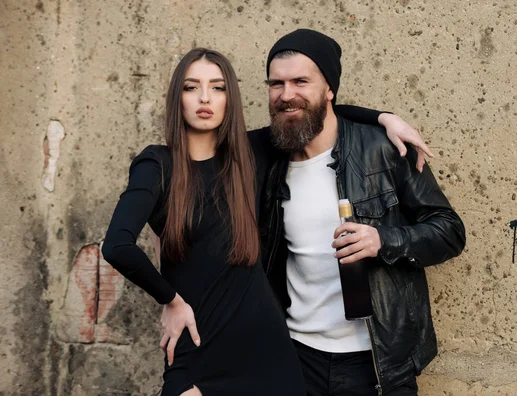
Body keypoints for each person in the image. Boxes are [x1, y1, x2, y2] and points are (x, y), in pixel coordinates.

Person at [102, 47, 430, 396]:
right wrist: (170, 299)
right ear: (177, 98)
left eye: (217, 87)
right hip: (197, 348)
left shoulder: (251, 153)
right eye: (190, 87)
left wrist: (383, 118)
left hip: (268, 354)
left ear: (230, 99)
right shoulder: (157, 165)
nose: (204, 98)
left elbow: (310, 110)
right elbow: (117, 246)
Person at [260, 29, 467, 396]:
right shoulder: (266, 157)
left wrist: (382, 239)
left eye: (300, 81)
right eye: (277, 83)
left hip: (376, 363)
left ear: (329, 89)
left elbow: (449, 231)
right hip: (294, 358)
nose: (287, 94)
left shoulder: (383, 149)